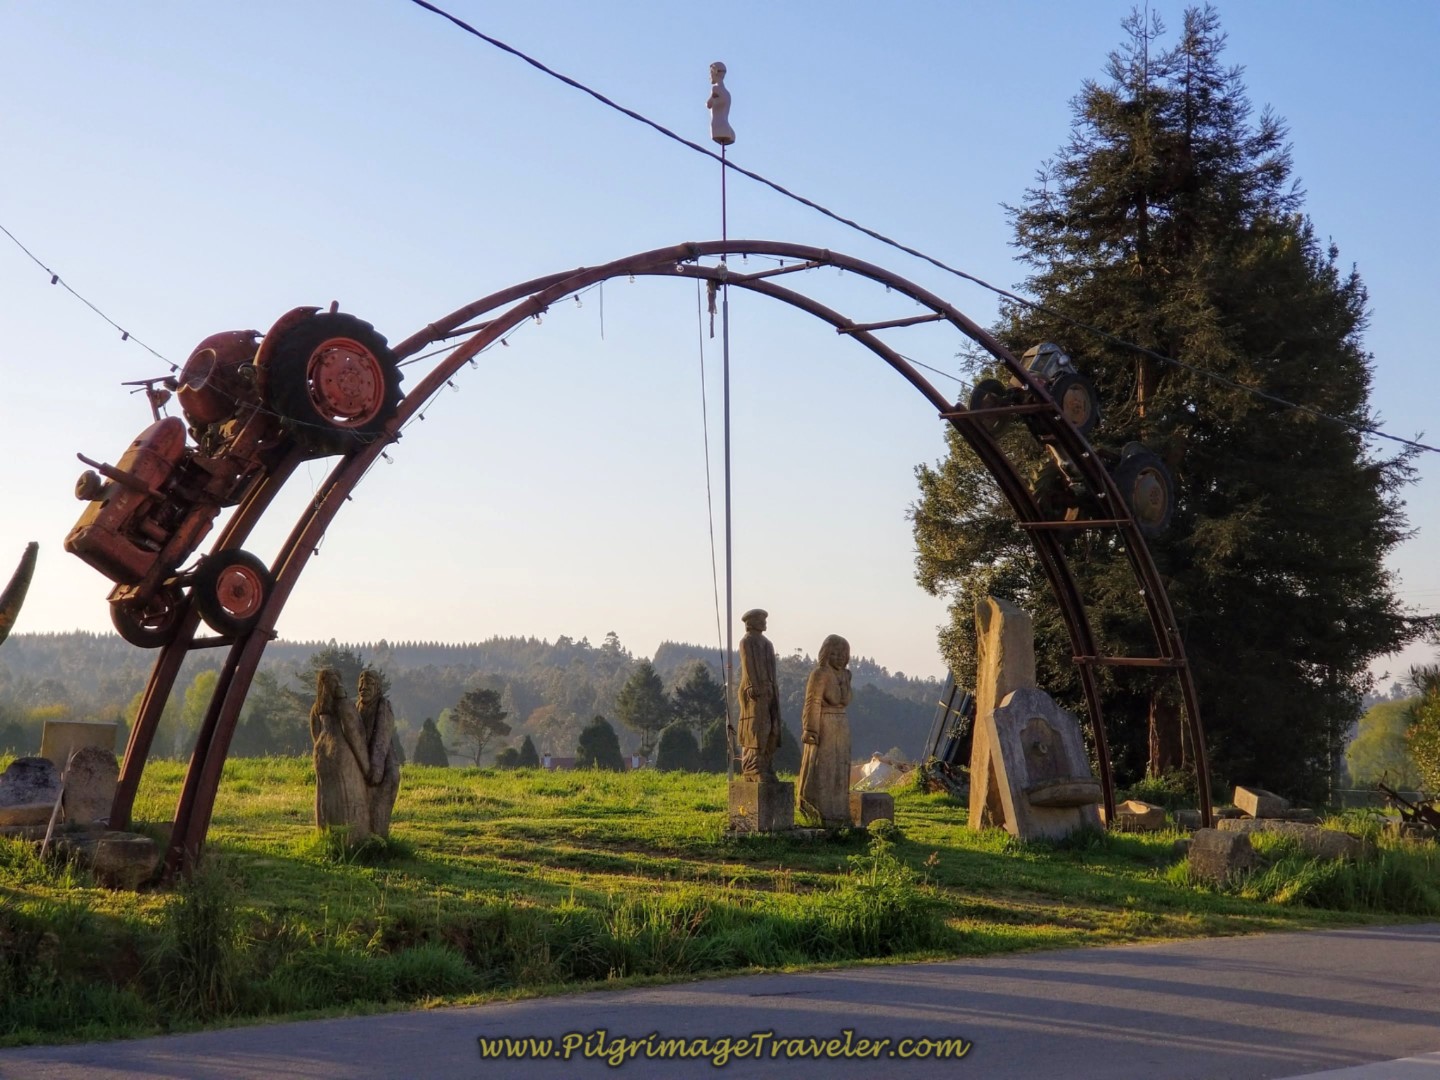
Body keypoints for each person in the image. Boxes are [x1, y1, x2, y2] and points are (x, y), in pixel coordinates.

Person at [796, 634, 853, 826]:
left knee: (840, 765)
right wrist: (810, 729)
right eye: (835, 653)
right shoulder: (819, 674)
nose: (839, 657)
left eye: (843, 654)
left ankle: (839, 810)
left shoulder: (845, 675)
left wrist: (844, 682)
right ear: (826, 654)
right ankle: (817, 808)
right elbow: (812, 701)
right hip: (824, 723)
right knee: (823, 765)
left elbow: (845, 699)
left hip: (841, 724)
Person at [310, 669, 371, 841]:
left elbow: (315, 731)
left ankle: (325, 834)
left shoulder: (318, 707)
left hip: (321, 751)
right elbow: (354, 732)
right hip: (341, 752)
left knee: (325, 795)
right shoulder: (343, 704)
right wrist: (365, 765)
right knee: (347, 795)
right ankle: (350, 838)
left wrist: (320, 745)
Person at [737, 607, 781, 780]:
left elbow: (772, 669)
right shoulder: (747, 641)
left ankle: (766, 764)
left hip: (769, 689)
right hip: (753, 690)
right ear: (751, 623)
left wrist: (772, 688)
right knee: (757, 728)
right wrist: (753, 685)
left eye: (764, 620)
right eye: (760, 620)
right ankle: (753, 767)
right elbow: (748, 665)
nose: (764, 622)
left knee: (773, 728)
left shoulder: (767, 643)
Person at [356, 669, 401, 838]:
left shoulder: (383, 706)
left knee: (377, 817)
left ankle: (377, 846)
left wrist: (376, 770)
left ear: (377, 688)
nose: (363, 688)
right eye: (361, 684)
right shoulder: (357, 706)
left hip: (383, 772)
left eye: (368, 684)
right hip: (365, 770)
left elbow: (381, 740)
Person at [707, 61, 736, 146]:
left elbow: (709, 105)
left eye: (710, 73)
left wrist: (712, 97)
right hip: (726, 128)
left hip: (718, 126)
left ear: (715, 72)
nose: (709, 76)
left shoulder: (715, 89)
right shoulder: (727, 93)